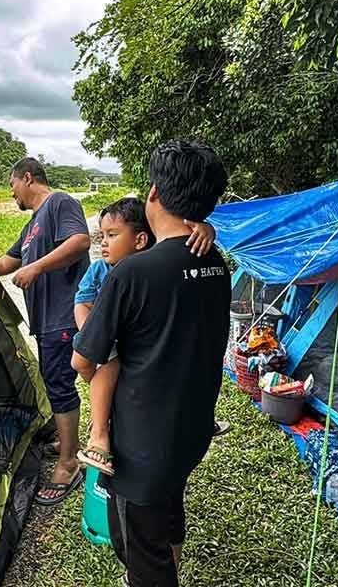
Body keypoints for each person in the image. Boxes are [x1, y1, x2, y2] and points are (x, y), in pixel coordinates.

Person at [71, 141, 231, 587]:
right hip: (191, 427)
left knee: (142, 545)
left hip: (143, 439)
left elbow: (84, 361)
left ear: (155, 193)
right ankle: (168, 579)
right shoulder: (216, 260)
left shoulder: (131, 274)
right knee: (168, 502)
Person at [72, 198, 227, 476]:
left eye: (112, 235)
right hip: (107, 340)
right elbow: (82, 304)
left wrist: (207, 230)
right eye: (102, 236)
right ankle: (99, 433)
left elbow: (180, 236)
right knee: (109, 366)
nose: (104, 243)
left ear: (141, 239)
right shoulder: (102, 270)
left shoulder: (147, 265)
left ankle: (201, 419)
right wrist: (93, 336)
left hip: (138, 345)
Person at [0, 157, 91, 505]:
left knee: (59, 386)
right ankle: (67, 442)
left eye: (12, 185)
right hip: (46, 320)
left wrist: (36, 267)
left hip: (64, 315)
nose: (12, 193)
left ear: (27, 178)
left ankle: (69, 463)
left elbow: (79, 241)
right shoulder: (32, 225)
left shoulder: (60, 203)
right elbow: (5, 264)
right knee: (56, 381)